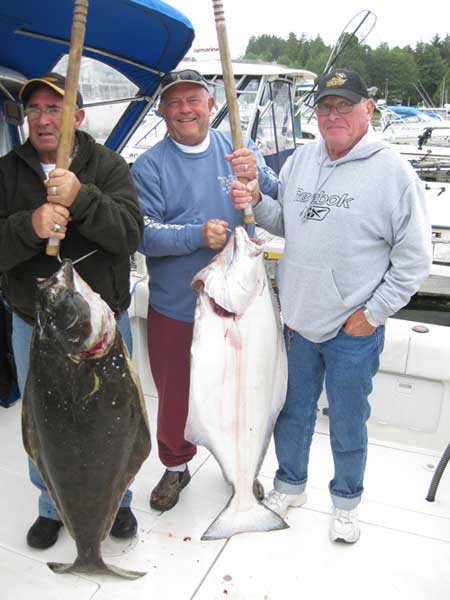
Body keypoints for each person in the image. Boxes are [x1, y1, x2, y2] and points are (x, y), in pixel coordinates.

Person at [231, 67, 432, 543]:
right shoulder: (302, 160)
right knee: (292, 412)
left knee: (347, 420)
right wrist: (257, 200)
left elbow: (414, 259)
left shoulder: (394, 173)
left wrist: (372, 315)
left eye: (345, 105)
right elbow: (287, 221)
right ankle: (290, 485)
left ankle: (346, 502)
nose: (333, 115)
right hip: (298, 323)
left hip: (353, 330)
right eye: (325, 107)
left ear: (369, 109)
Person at [0, 72, 144, 549]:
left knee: (114, 417)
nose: (43, 120)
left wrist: (82, 198)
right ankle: (51, 505)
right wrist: (31, 224)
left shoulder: (108, 166)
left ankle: (118, 500)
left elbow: (128, 235)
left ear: (77, 117)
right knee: (46, 421)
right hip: (34, 325)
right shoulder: (6, 174)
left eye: (55, 109)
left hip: (102, 326)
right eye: (35, 110)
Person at [131, 69, 279, 511]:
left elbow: (275, 194)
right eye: (174, 103)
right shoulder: (149, 165)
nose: (185, 110)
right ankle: (176, 465)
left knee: (241, 390)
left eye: (193, 100)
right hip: (176, 308)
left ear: (211, 104)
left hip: (239, 311)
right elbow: (143, 235)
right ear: (161, 112)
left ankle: (240, 465)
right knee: (174, 393)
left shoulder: (238, 149)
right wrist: (196, 235)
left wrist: (257, 181)